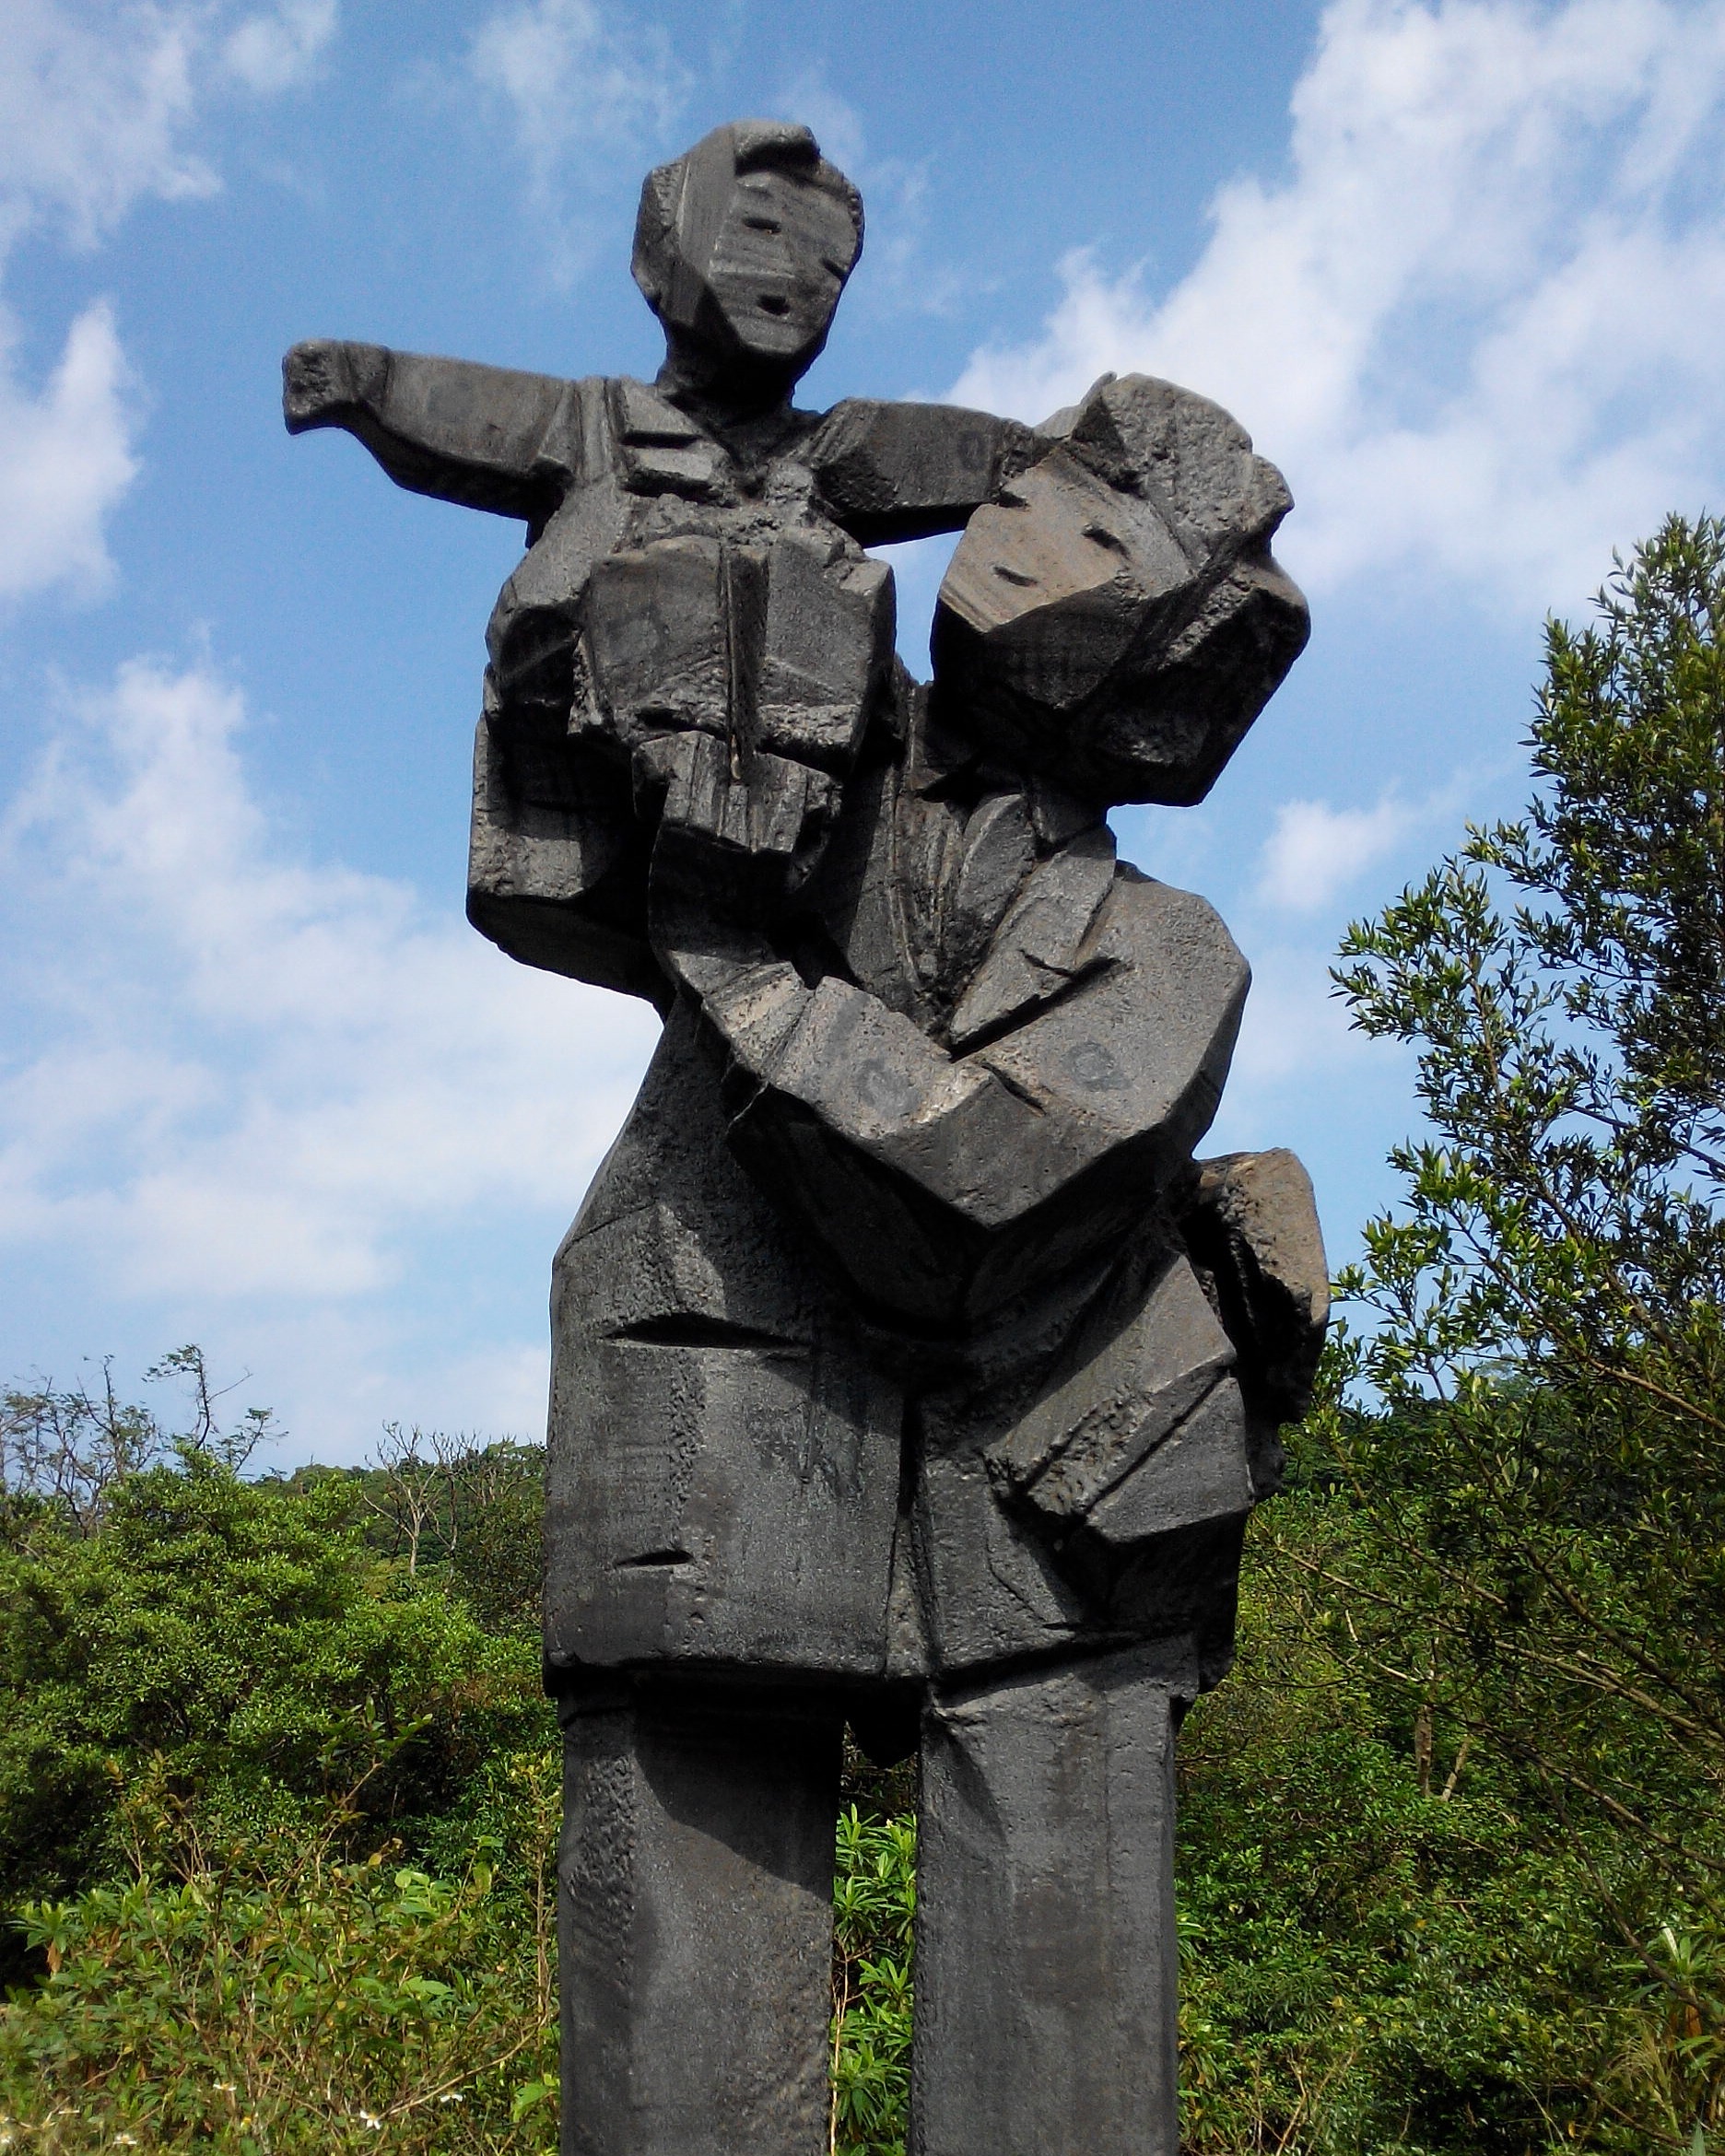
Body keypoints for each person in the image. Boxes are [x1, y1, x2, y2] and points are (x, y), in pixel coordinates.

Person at [286, 117, 1325, 2156]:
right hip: (710, 1380)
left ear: (1176, 665)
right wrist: (584, 646)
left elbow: (976, 1192)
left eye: (1100, 530)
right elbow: (546, 855)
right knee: (680, 1995)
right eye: (1032, 482)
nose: (1023, 525)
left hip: (1055, 1526)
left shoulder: (1168, 953)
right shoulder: (794, 720)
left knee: (1061, 2015)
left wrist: (735, 960)